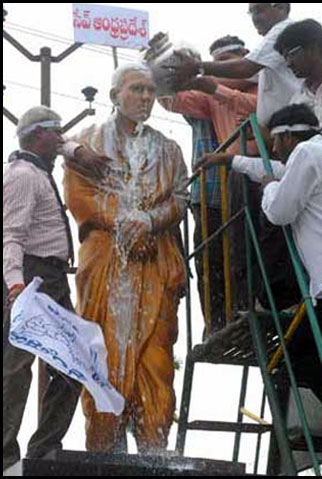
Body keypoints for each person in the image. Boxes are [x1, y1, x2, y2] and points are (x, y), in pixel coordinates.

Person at [62, 63, 188, 454]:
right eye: (136, 89)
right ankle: (104, 447)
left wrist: (149, 221)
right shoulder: (86, 142)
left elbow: (180, 198)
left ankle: (154, 448)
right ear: (115, 95)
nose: (145, 98)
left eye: (150, 91)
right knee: (102, 354)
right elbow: (77, 196)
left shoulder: (169, 149)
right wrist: (122, 222)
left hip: (155, 262)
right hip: (105, 264)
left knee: (157, 358)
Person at [198, 103, 322, 413]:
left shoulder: (308, 155)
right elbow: (275, 170)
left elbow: (278, 211)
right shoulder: (321, 156)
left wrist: (268, 188)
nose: (273, 149)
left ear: (289, 137)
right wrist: (230, 160)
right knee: (299, 356)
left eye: (275, 142)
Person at [159, 35, 258, 332]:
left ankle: (251, 305)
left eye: (229, 64)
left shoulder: (265, 80)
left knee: (250, 250)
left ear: (245, 58)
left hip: (260, 177)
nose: (222, 72)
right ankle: (219, 319)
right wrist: (159, 63)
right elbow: (171, 99)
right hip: (218, 186)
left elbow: (257, 106)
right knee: (213, 258)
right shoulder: (208, 96)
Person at [3, 106, 82, 471]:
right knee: (16, 367)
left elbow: (66, 145)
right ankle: (6, 454)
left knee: (74, 363)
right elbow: (11, 236)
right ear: (39, 135)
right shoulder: (22, 175)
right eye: (57, 132)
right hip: (32, 276)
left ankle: (43, 448)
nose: (63, 138)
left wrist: (68, 148)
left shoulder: (37, 170)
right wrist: (16, 284)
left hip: (52, 279)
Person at [166, 3, 302, 127]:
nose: (255, 19)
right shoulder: (263, 69)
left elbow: (244, 69)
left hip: (292, 129)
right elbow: (174, 99)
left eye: (259, 10)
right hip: (282, 134)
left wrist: (197, 68)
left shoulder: (284, 30)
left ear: (282, 7)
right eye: (251, 13)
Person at [274, 18, 322, 158]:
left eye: (291, 54)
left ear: (313, 48)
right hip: (315, 177)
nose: (288, 64)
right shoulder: (296, 101)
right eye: (284, 58)